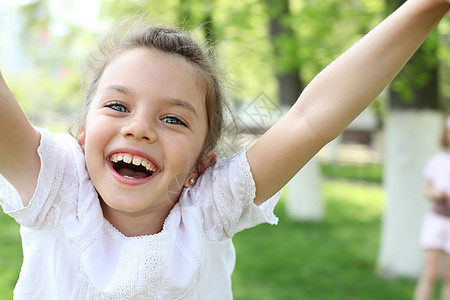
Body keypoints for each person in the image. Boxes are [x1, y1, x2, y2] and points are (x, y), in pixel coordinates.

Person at [0, 0, 449, 299]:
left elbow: (310, 120)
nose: (139, 129)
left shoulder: (208, 209)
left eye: (173, 118)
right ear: (81, 135)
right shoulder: (58, 190)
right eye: (118, 105)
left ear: (201, 165)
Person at [415, 116, 450, 300]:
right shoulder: (438, 161)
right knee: (430, 272)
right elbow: (427, 189)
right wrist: (438, 193)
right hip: (437, 219)